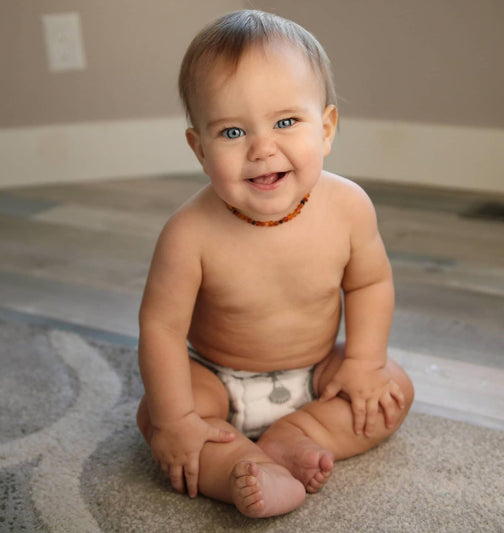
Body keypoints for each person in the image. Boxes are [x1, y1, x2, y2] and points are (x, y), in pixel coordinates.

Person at [137, 9, 414, 518]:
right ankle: (246, 467)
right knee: (159, 417)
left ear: (326, 128)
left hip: (317, 372)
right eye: (232, 133)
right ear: (199, 149)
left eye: (286, 122)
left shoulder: (349, 208)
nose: (263, 149)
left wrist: (362, 362)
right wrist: (176, 420)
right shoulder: (188, 233)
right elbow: (160, 328)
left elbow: (370, 282)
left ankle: (295, 437)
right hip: (217, 379)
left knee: (393, 389)